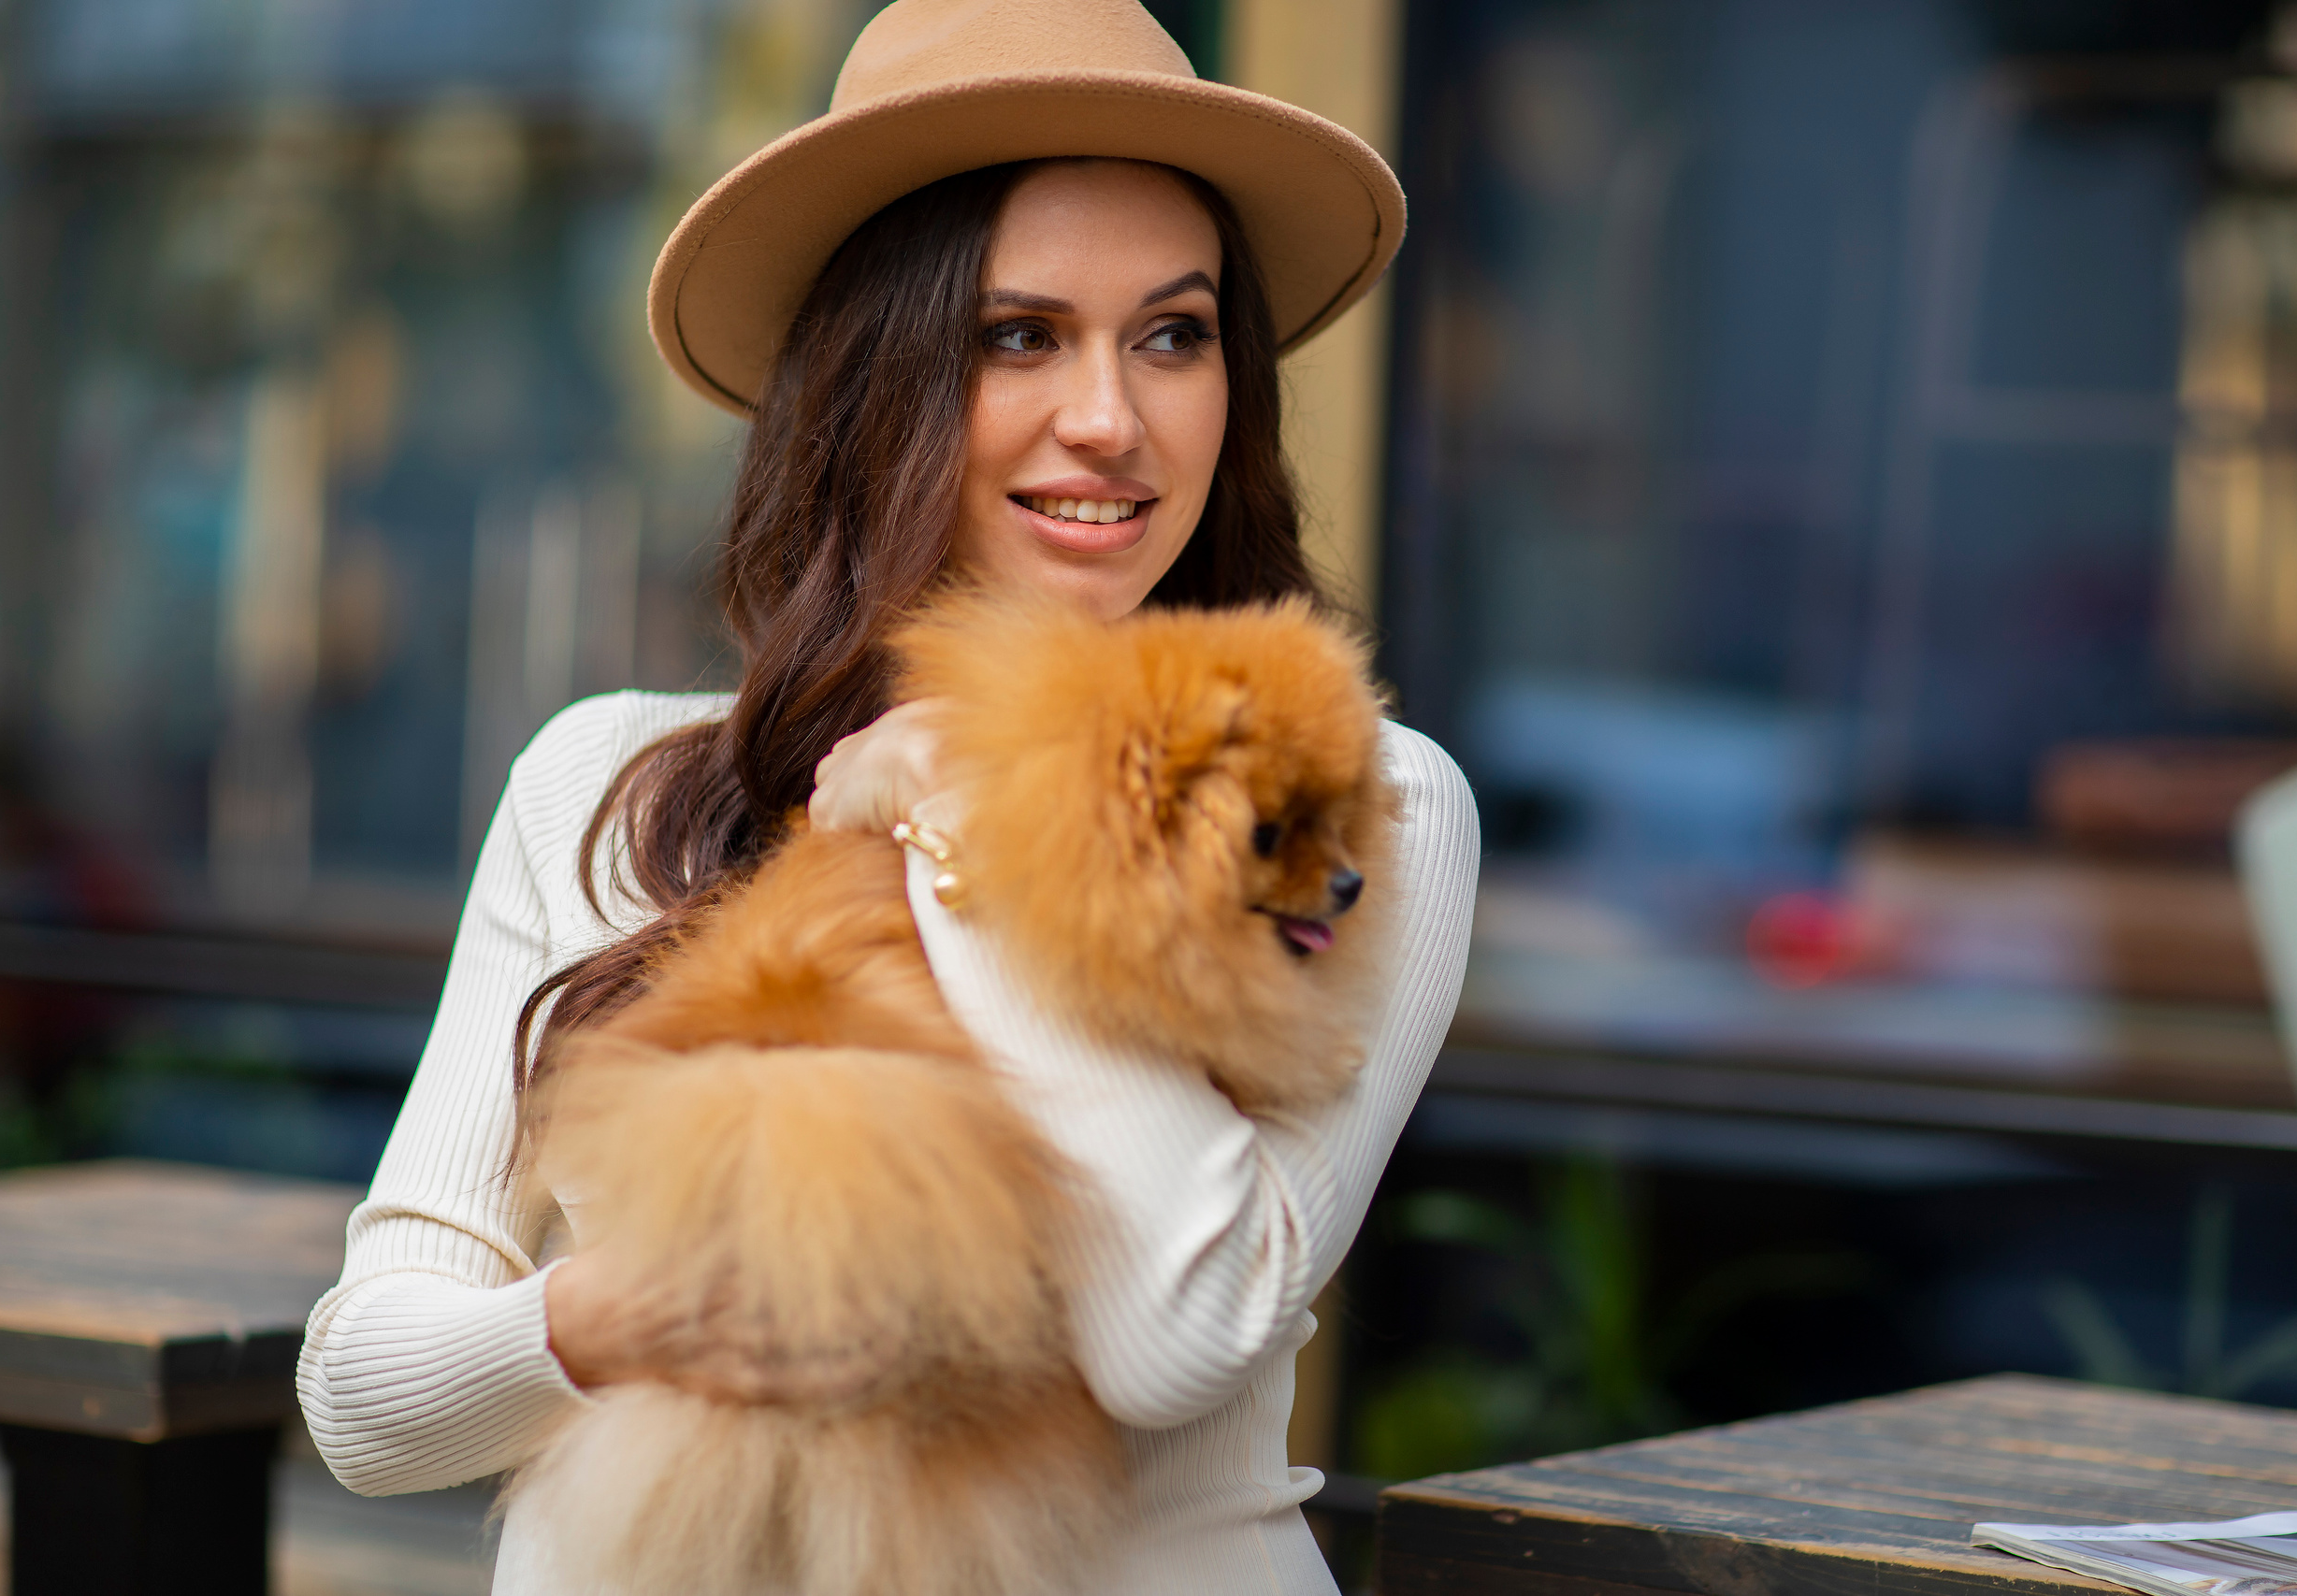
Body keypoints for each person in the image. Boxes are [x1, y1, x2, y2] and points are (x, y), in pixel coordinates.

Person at [296, 1, 1480, 1590]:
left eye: (1174, 334)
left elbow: (1173, 1339)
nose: (1109, 420)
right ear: (873, 381)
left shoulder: (1341, 800)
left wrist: (974, 832)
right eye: (1018, 334)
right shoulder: (612, 787)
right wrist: (629, 1315)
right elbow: (369, 1405)